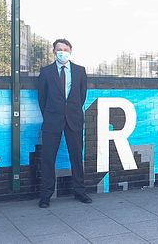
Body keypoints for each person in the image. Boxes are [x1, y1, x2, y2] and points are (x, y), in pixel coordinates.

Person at [37, 38, 91, 208]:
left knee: (76, 157)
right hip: (52, 120)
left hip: (74, 119)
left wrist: (71, 111)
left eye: (65, 49)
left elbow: (81, 96)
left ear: (70, 51)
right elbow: (42, 98)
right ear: (54, 51)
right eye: (59, 49)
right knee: (48, 158)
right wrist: (51, 113)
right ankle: (46, 195)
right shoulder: (45, 72)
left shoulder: (80, 71)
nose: (62, 52)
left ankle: (80, 192)